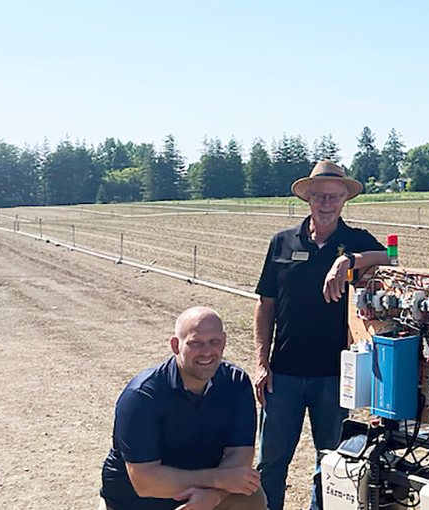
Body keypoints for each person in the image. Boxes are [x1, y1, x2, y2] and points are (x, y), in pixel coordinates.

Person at [252, 160, 388, 510]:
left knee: (329, 460)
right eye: (319, 197)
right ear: (308, 199)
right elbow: (265, 306)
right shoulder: (281, 243)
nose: (326, 203)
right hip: (282, 374)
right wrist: (261, 363)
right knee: (271, 462)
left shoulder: (354, 240)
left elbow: (388, 258)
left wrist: (347, 261)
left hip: (333, 375)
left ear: (345, 200)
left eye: (334, 197)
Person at [100, 307, 266, 510]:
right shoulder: (143, 395)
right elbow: (145, 482)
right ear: (175, 345)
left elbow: (239, 456)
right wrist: (218, 480)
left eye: (214, 342)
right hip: (139, 501)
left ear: (224, 341)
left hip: (203, 490)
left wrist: (214, 496)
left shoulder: (236, 383)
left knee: (253, 498)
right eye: (195, 343)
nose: (206, 351)